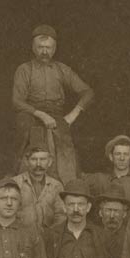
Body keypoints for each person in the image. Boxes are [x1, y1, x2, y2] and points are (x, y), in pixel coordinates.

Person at [12, 23, 94, 183]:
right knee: (26, 132)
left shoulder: (62, 69)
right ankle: (19, 179)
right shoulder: (24, 70)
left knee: (66, 148)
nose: (44, 51)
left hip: (56, 114)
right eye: (40, 47)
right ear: (33, 47)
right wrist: (40, 114)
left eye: (48, 47)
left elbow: (88, 92)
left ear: (54, 48)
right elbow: (17, 101)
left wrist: (74, 113)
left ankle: (68, 186)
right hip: (30, 113)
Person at [86, 135, 130, 212]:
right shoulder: (100, 180)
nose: (122, 158)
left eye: (126, 154)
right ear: (111, 157)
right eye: (118, 154)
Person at [15, 147, 66, 230]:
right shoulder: (16, 183)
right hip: (21, 237)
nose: (38, 164)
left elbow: (61, 216)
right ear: (26, 161)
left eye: (43, 159)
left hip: (49, 237)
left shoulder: (56, 186)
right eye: (34, 159)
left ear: (49, 162)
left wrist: (51, 235)